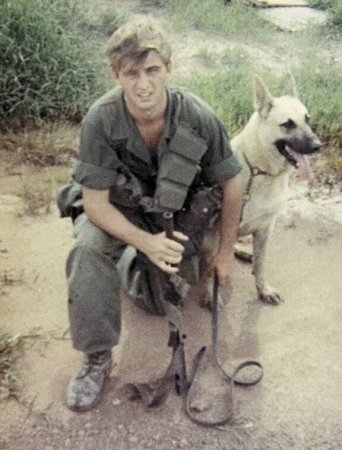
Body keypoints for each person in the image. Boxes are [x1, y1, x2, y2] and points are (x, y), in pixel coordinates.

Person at [61, 17, 243, 412]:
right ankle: (96, 357)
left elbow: (233, 181)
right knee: (88, 251)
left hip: (170, 216)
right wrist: (146, 242)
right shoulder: (101, 119)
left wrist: (226, 252)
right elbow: (95, 204)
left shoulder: (198, 115)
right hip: (117, 211)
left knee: (161, 304)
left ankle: (130, 264)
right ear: (117, 74)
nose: (143, 84)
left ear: (169, 69)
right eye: (131, 73)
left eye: (152, 70)